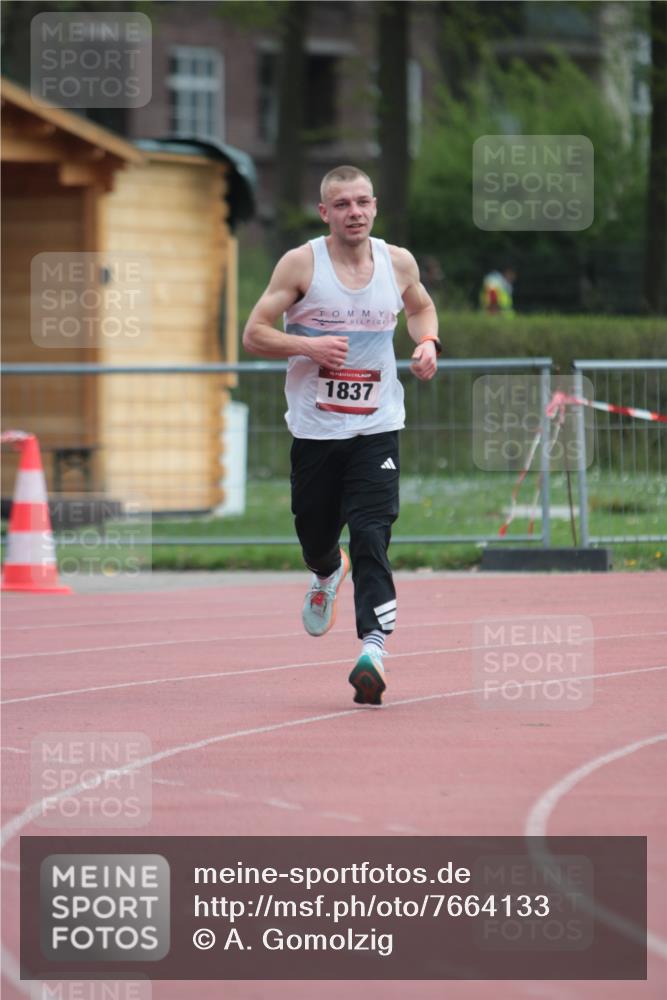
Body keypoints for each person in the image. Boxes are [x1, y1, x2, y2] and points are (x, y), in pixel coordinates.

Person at [242, 165, 440, 706]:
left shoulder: (397, 262)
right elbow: (254, 333)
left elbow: (420, 307)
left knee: (373, 533)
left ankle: (373, 650)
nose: (354, 212)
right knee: (314, 532)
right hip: (316, 430)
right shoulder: (302, 263)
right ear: (324, 212)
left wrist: (428, 344)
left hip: (377, 427)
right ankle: (328, 572)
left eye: (362, 202)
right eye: (342, 204)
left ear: (374, 206)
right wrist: (309, 347)